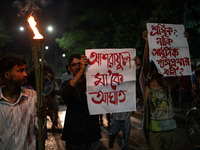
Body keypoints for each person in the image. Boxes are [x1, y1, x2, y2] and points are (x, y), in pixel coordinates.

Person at [140, 30, 177, 150]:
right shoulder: (146, 84)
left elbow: (177, 68)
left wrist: (184, 43)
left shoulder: (166, 84)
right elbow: (145, 64)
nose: (156, 70)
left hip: (169, 128)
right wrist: (147, 43)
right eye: (154, 67)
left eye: (159, 67)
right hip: (153, 129)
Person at [0, 54, 46, 149]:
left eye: (25, 70)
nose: (25, 74)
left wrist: (42, 117)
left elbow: (40, 128)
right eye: (20, 71)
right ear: (7, 75)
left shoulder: (33, 96)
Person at [61, 54, 102, 150]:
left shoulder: (93, 82)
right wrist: (81, 71)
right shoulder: (66, 84)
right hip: (75, 135)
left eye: (80, 64)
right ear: (70, 68)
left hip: (92, 134)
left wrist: (132, 69)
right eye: (74, 65)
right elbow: (66, 94)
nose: (77, 67)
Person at [109, 57, 142, 150]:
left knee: (126, 137)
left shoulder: (128, 83)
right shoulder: (113, 83)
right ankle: (111, 138)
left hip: (126, 115)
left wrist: (136, 68)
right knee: (114, 132)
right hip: (116, 116)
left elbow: (131, 78)